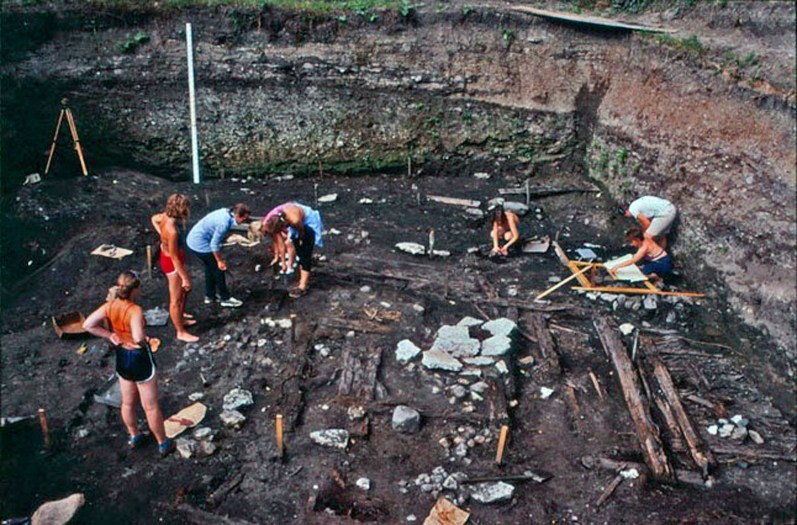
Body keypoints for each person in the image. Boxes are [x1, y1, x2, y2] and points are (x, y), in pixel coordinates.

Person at [83, 271, 175, 457]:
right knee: (150, 406)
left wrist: (110, 336)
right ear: (135, 289)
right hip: (139, 357)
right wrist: (145, 340)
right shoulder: (135, 310)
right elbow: (138, 337)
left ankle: (134, 436)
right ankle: (163, 442)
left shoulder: (109, 305)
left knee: (127, 402)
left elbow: (88, 324)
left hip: (122, 355)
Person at [151, 194, 198, 343]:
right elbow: (174, 258)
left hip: (170, 258)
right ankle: (180, 331)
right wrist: (185, 277)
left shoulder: (164, 217)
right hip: (172, 264)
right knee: (175, 299)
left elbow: (153, 218)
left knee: (183, 293)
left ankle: (181, 317)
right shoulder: (172, 231)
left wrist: (160, 234)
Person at [186, 204, 250, 308]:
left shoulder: (225, 212)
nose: (244, 221)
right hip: (200, 245)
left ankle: (210, 295)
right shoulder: (223, 224)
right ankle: (225, 298)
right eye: (244, 218)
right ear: (238, 215)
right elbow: (214, 245)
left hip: (194, 239)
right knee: (218, 270)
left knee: (209, 267)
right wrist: (219, 261)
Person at [261, 202, 324, 298]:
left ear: (282, 226)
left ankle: (302, 286)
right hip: (294, 224)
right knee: (298, 249)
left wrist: (301, 241)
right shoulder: (275, 220)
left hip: (307, 223)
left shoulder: (295, 220)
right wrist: (283, 262)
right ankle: (302, 269)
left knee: (304, 254)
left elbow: (302, 232)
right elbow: (280, 244)